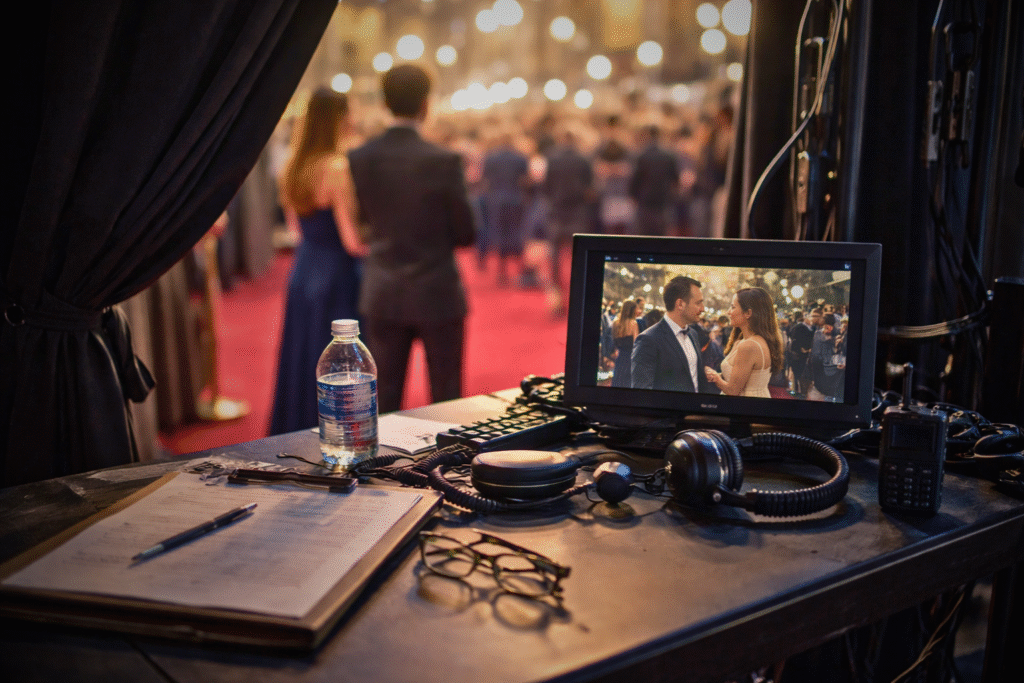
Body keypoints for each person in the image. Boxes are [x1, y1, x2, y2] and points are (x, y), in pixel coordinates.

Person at [348, 64, 477, 413]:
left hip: (384, 290)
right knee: (447, 400)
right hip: (437, 289)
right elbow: (467, 233)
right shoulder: (444, 160)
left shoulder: (359, 158)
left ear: (384, 103)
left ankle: (381, 470)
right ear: (426, 103)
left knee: (385, 400)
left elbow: (361, 221)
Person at [269, 89, 366, 435]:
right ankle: (338, 432)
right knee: (339, 361)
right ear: (338, 118)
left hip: (304, 269)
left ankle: (296, 425)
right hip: (336, 273)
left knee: (303, 352)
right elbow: (352, 241)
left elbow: (297, 231)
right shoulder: (336, 167)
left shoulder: (291, 166)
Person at [631, 276, 714, 392]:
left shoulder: (693, 334)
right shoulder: (648, 340)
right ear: (680, 304)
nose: (703, 309)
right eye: (698, 303)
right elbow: (642, 393)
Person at [705, 288, 785, 398]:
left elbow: (733, 390)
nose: (729, 312)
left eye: (733, 307)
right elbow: (738, 378)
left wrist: (715, 377)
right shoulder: (743, 341)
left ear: (748, 313)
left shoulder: (749, 345)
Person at [481, 130, 530, 286]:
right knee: (518, 232)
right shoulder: (520, 158)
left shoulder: (491, 158)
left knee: (499, 232)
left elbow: (485, 179)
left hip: (496, 199)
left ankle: (502, 271)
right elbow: (526, 179)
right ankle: (521, 269)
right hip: (515, 199)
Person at [629, 124, 680, 236]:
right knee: (661, 236)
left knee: (644, 235)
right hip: (663, 200)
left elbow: (635, 180)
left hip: (645, 200)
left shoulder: (642, 156)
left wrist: (633, 196)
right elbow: (676, 180)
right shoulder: (669, 156)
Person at [807, 313, 845, 402]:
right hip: (824, 365)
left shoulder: (822, 333)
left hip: (824, 366)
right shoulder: (821, 333)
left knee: (822, 390)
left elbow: (817, 353)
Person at [611, 299, 640, 388]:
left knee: (618, 382)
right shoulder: (633, 323)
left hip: (619, 358)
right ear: (631, 311)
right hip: (630, 359)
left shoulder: (615, 323)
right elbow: (636, 344)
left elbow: (614, 341)